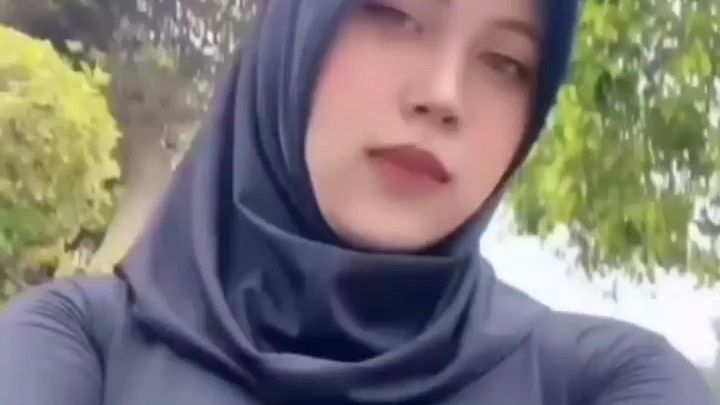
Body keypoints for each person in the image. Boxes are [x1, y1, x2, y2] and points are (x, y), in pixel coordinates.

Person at [0, 0, 713, 404]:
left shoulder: (595, 382)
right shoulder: (78, 344)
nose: (442, 95)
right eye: (395, 14)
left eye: (506, 62)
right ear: (296, 32)